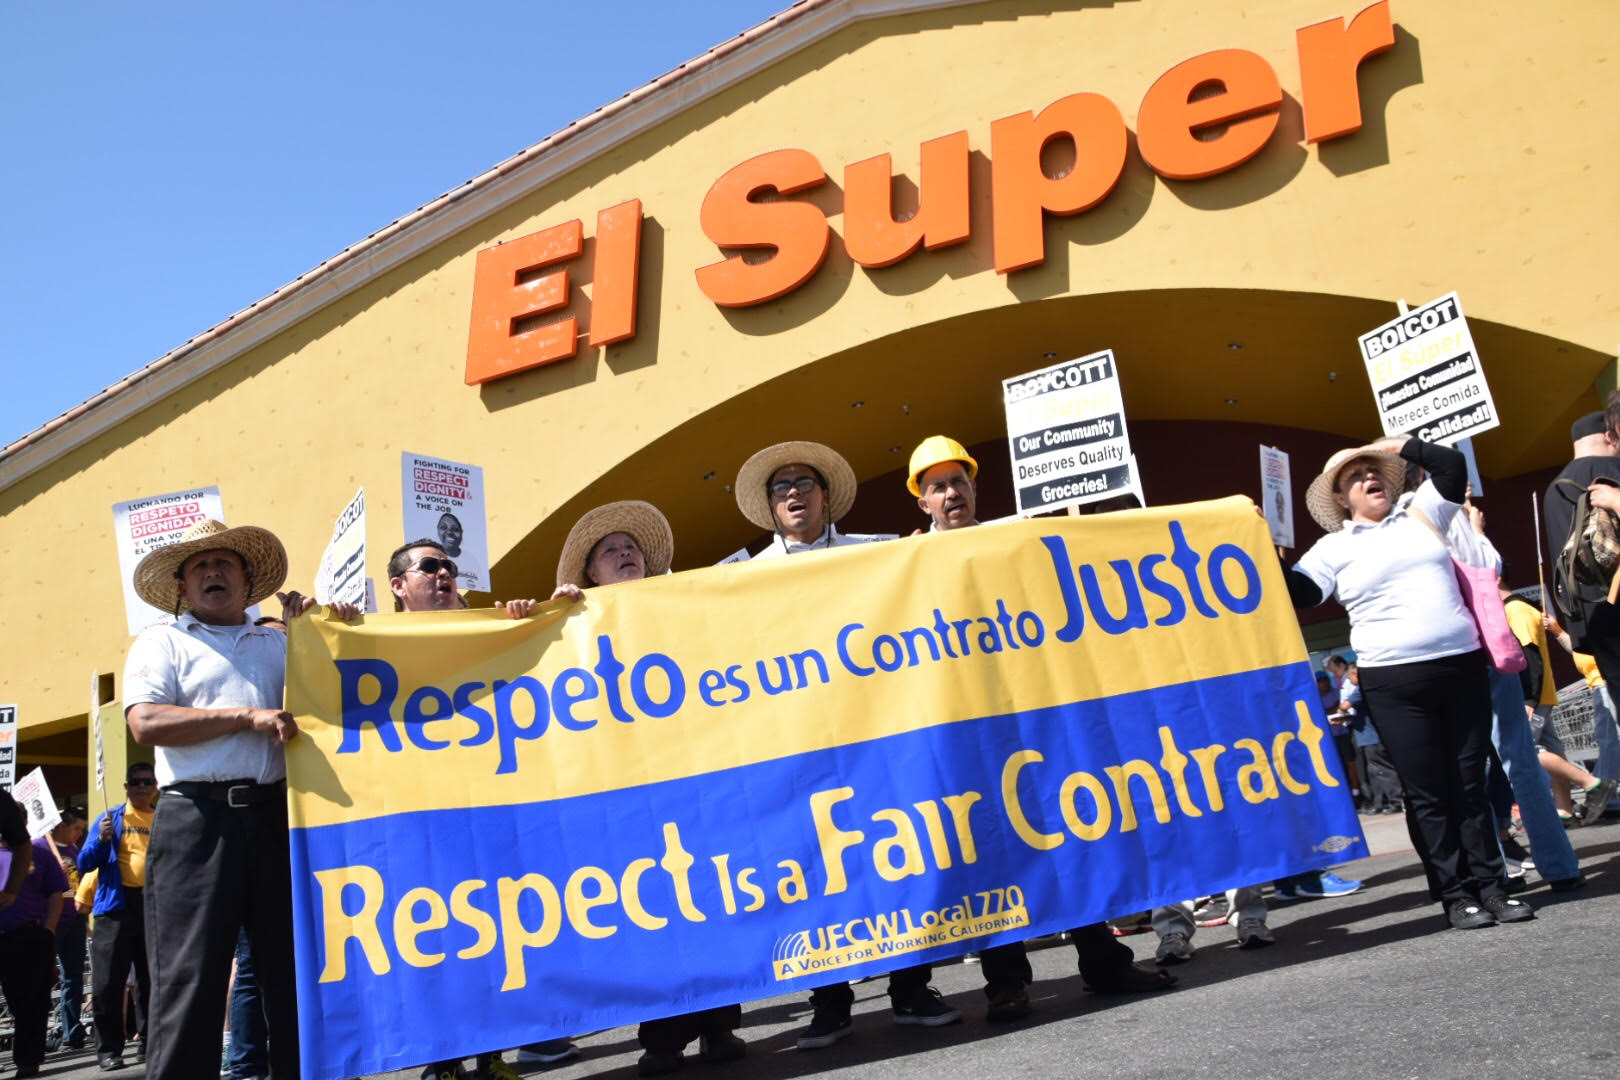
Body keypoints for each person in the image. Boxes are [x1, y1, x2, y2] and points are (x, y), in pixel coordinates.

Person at [906, 436, 1178, 1009]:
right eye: (937, 487)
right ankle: (1006, 983)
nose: (951, 493)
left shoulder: (1015, 537)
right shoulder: (903, 563)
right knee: (993, 854)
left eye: (958, 481)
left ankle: (1104, 964)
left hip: (1035, 719)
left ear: (974, 487)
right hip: (964, 732)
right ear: (922, 501)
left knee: (1070, 834)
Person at [738, 439, 960, 1048]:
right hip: (800, 751)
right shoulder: (742, 580)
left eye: (803, 483)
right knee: (815, 872)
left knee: (899, 854)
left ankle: (912, 989)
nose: (792, 493)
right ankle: (829, 1003)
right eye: (781, 487)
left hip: (877, 739)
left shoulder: (880, 554)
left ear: (825, 495)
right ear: (769, 506)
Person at [122, 518, 361, 1079]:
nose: (211, 572)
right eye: (198, 567)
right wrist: (244, 717)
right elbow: (145, 722)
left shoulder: (280, 640)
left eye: (223, 563)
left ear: (247, 580)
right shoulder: (163, 642)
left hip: (280, 818)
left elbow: (342, 692)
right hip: (196, 824)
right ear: (181, 588)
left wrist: (332, 627)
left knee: (298, 973)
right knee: (190, 979)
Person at [1285, 437, 1532, 929]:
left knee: (1469, 787)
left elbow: (1451, 463)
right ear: (1339, 500)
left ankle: (1494, 887)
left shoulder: (1421, 512)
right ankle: (1456, 895)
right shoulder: (1332, 547)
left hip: (1460, 667)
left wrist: (1388, 445)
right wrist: (1261, 545)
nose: (1366, 479)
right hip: (1394, 682)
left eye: (1371, 470)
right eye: (1352, 477)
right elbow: (1301, 592)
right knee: (1429, 795)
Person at [549, 503, 746, 1077]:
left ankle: (718, 1025)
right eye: (609, 551)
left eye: (630, 546)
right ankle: (662, 1036)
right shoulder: (571, 621)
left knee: (705, 900)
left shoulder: (676, 604)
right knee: (653, 906)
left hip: (690, 772)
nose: (624, 554)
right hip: (623, 787)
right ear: (589, 572)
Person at [384, 537, 579, 1080]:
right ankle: (443, 1061)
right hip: (422, 814)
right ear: (399, 587)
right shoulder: (371, 643)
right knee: (436, 938)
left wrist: (548, 610)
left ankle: (494, 1054)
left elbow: (547, 657)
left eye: (448, 565)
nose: (444, 573)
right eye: (429, 566)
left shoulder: (490, 626)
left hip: (491, 808)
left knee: (496, 931)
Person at [1502, 583, 1615, 824]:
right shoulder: (1524, 610)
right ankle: (1564, 809)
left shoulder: (1517, 610)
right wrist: (1557, 630)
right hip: (1554, 692)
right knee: (1554, 752)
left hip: (1549, 694)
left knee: (1524, 751)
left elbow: (1530, 655)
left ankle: (1595, 785)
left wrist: (1529, 697)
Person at [78, 762, 158, 1070]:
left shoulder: (163, 818)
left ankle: (150, 1044)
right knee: (108, 984)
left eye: (147, 781)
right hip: (115, 909)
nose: (141, 786)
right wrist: (100, 840)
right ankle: (109, 1050)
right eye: (135, 782)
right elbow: (84, 863)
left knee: (152, 982)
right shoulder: (110, 818)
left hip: (152, 908)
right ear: (126, 786)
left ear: (156, 786)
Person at [0, 789, 67, 1080]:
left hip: (25, 937)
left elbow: (56, 893)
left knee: (28, 1003)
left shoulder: (40, 853)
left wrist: (48, 929)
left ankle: (27, 1062)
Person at [50, 807, 89, 1050]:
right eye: (76, 828)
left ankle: (72, 1032)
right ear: (62, 825)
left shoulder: (76, 852)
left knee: (73, 977)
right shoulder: (42, 848)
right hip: (50, 921)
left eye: (82, 830)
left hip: (75, 921)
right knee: (40, 977)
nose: (79, 834)